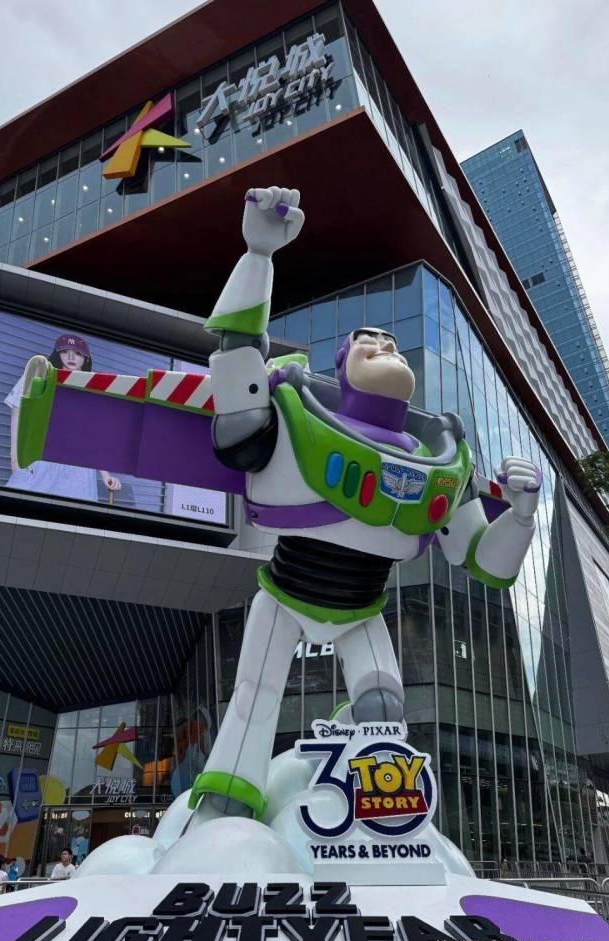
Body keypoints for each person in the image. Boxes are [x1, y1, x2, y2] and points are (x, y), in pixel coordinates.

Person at [187, 187, 542, 823]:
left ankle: (373, 809)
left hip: (361, 613)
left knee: (382, 710)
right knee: (255, 695)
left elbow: (485, 564)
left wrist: (519, 516)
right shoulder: (293, 419)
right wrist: (259, 255)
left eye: (393, 344)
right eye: (367, 341)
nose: (385, 346)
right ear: (340, 363)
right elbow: (237, 359)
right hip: (283, 597)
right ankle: (223, 811)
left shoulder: (441, 464)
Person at [4, 333, 121, 500]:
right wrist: (15, 457)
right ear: (57, 354)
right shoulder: (40, 376)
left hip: (78, 469)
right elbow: (18, 412)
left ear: (86, 358)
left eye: (78, 353)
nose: (71, 357)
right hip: (41, 458)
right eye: (65, 351)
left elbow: (95, 436)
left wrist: (105, 475)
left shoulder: (93, 389)